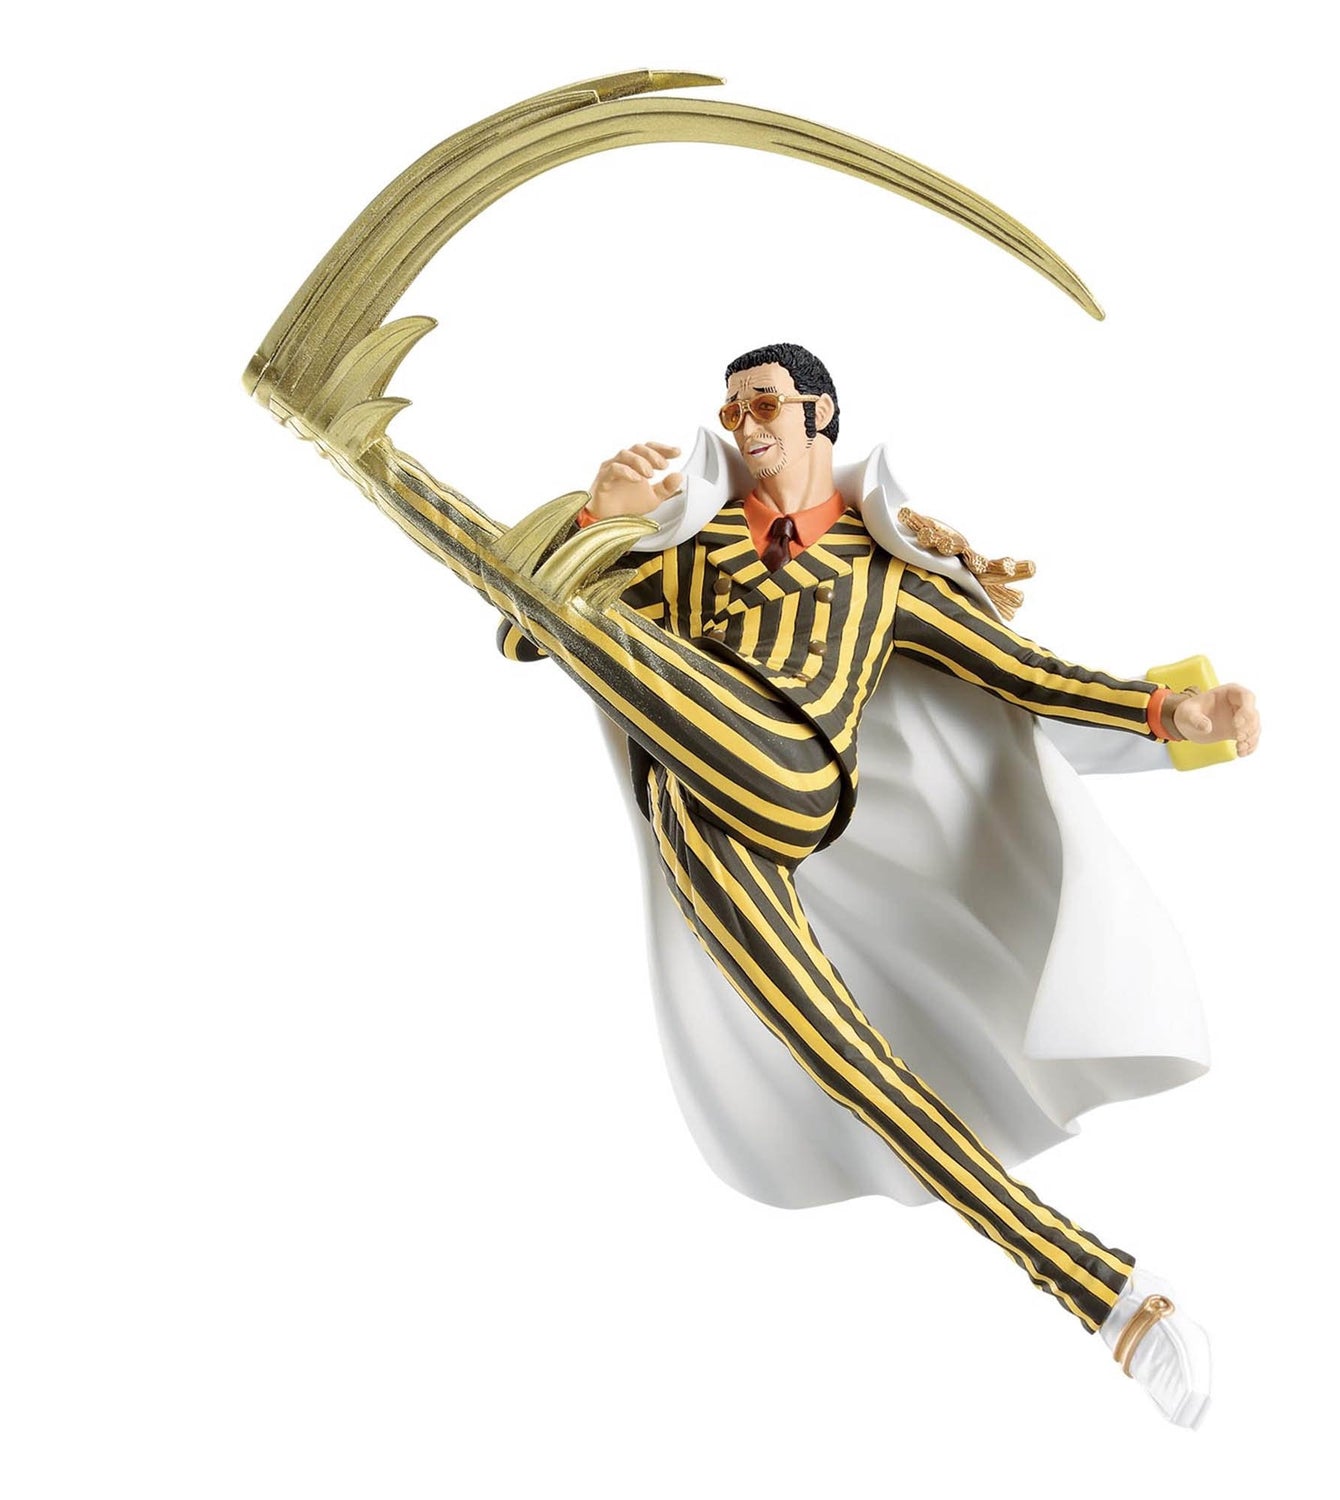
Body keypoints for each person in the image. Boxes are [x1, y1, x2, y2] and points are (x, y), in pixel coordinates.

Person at [362, 342, 1257, 1428]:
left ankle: (366, 454)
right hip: (698, 824)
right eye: (732, 407)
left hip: (793, 774)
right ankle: (1116, 1300)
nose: (744, 423)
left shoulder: (884, 573)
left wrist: (1175, 715)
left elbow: (1028, 675)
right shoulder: (681, 548)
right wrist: (600, 523)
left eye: (766, 403)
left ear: (821, 415)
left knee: (598, 630)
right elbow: (523, 631)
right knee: (853, 1066)